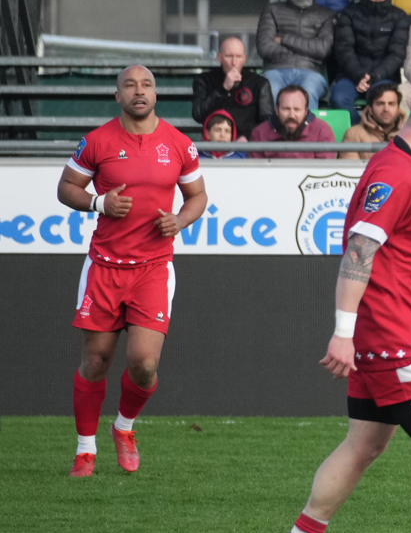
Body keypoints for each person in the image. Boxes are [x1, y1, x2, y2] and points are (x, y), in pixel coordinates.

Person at [280, 84, 411, 533]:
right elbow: (359, 249)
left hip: (390, 334)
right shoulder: (397, 173)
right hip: (396, 338)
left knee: (365, 443)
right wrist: (343, 333)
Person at [57, 65, 207, 477]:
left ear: (156, 94)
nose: (139, 91)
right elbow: (66, 188)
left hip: (153, 268)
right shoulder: (96, 141)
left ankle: (124, 427)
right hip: (105, 266)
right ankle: (85, 451)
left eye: (147, 85)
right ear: (118, 96)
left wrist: (179, 220)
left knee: (144, 363)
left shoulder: (179, 144)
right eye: (130, 85)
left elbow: (197, 196)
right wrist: (99, 203)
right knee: (96, 360)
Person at [331, 0, 408, 126]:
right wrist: (359, 75)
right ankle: (360, 131)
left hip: (384, 76)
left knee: (381, 103)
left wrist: (374, 77)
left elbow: (397, 54)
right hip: (351, 75)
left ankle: (374, 135)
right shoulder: (349, 13)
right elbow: (344, 49)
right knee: (338, 99)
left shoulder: (399, 16)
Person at [257, 0, 337, 112]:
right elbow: (265, 47)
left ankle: (307, 128)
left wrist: (284, 39)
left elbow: (323, 49)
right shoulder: (272, 10)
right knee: (270, 90)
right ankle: (272, 128)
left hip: (311, 73)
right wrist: (308, 52)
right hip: (276, 71)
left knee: (308, 91)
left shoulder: (327, 14)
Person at [191, 36, 274, 138]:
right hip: (216, 142)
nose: (234, 62)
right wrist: (223, 89)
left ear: (244, 58)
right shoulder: (204, 80)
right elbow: (198, 114)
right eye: (229, 56)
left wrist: (249, 138)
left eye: (238, 57)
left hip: (247, 143)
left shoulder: (259, 83)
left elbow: (267, 121)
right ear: (219, 57)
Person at [248, 85, 337, 159]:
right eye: (286, 109)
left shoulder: (322, 131)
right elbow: (257, 171)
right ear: (277, 110)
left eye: (297, 109)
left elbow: (325, 170)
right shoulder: (259, 133)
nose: (291, 115)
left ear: (306, 112)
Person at [339, 83, 405, 160]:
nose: (386, 109)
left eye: (391, 104)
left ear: (398, 109)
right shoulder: (353, 134)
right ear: (370, 110)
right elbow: (350, 167)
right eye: (380, 104)